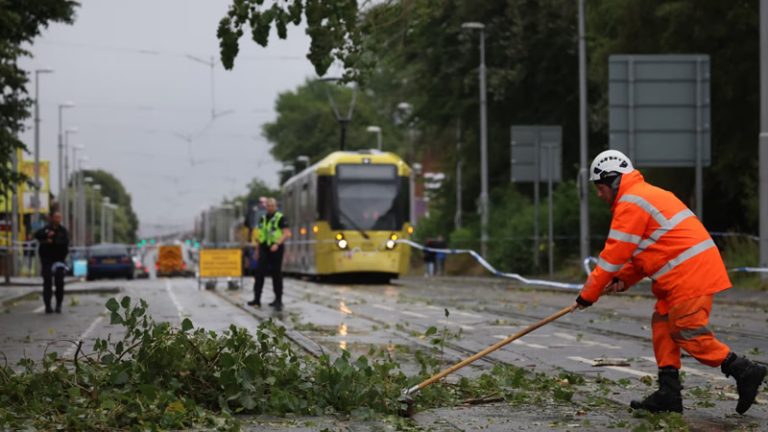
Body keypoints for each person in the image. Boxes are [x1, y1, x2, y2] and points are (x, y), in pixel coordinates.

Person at [573, 149, 766, 415]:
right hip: (681, 276)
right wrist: (621, 280)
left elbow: (612, 255)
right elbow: (642, 256)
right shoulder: (642, 197)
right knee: (663, 323)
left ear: (613, 180)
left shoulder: (632, 202)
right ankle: (669, 393)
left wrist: (587, 295)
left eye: (600, 187)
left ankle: (744, 370)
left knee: (687, 330)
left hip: (690, 275)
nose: (598, 193)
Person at [247, 198, 291, 311]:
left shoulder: (280, 218)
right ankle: (256, 299)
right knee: (259, 273)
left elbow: (287, 233)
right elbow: (259, 236)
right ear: (266, 207)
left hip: (276, 248)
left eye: (272, 205)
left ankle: (278, 300)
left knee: (276, 274)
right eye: (268, 206)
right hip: (264, 247)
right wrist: (257, 251)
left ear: (276, 206)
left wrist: (277, 243)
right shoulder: (262, 219)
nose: (270, 207)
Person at [34, 211, 70, 314]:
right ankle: (48, 305)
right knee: (47, 281)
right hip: (47, 259)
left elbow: (65, 243)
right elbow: (37, 235)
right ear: (52, 218)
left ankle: (59, 304)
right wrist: (46, 236)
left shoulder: (63, 231)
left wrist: (53, 240)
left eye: (59, 217)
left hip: (59, 260)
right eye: (55, 217)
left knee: (59, 282)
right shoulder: (47, 228)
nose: (57, 219)